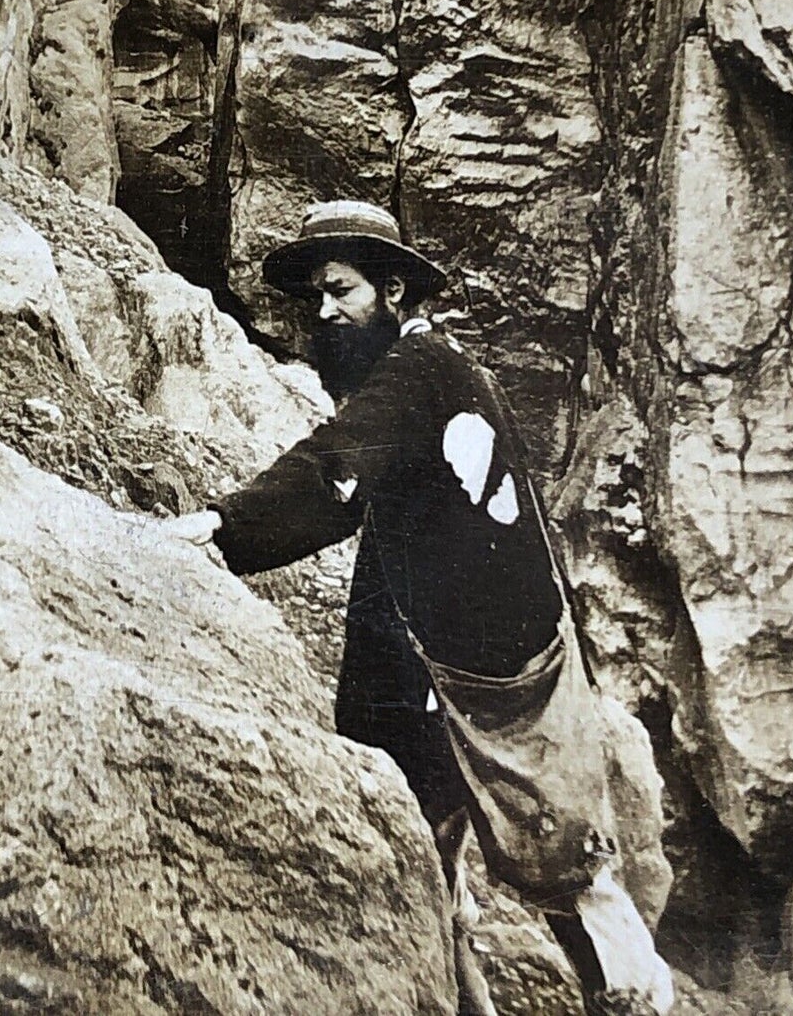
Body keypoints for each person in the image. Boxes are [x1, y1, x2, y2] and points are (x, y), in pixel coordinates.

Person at [163, 200, 674, 1016]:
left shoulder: (420, 369)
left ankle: (627, 1000)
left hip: (490, 675)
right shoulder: (442, 371)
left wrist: (224, 525)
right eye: (316, 297)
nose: (325, 312)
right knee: (438, 862)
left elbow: (338, 467)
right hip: (452, 653)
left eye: (342, 290)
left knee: (562, 869)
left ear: (393, 289)